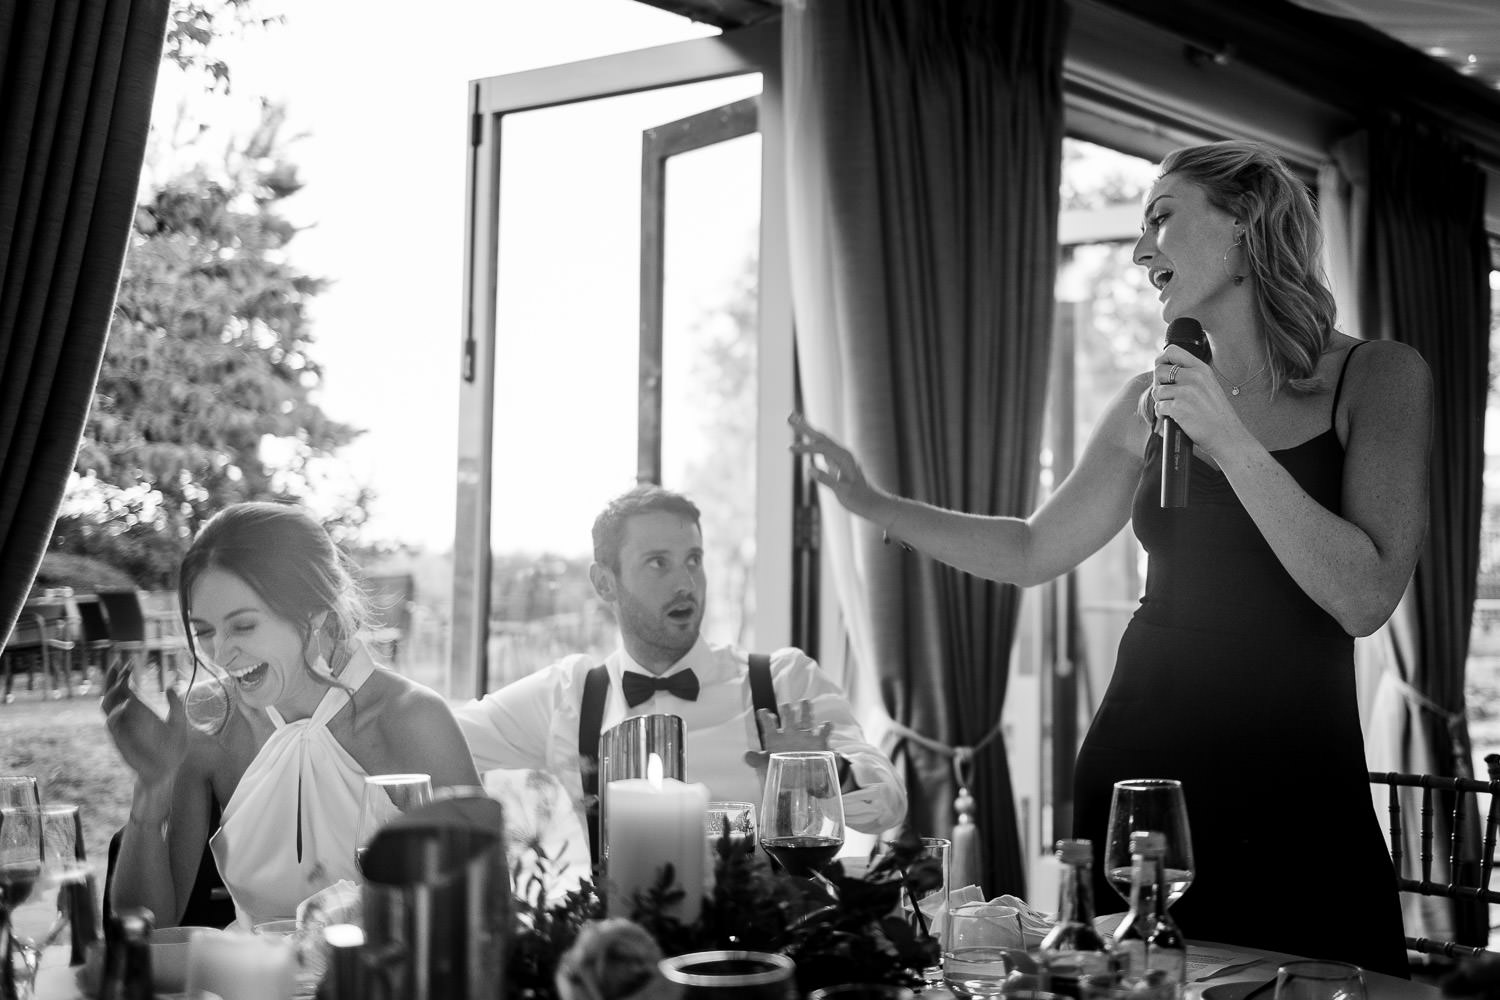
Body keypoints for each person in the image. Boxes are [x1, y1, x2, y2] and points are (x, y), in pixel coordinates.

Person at [790, 139, 1431, 977]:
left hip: (1295, 775)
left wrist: (1229, 440)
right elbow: (1031, 548)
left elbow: (1365, 597)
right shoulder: (1147, 398)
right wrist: (876, 505)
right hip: (1142, 774)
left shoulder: (1379, 376)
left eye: (1161, 219)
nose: (1139, 252)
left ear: (1244, 223)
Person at [454, 485, 907, 859]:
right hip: (629, 938)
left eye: (694, 559)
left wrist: (825, 773)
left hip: (764, 938)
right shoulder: (569, 695)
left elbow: (888, 804)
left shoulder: (783, 680)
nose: (686, 583)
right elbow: (436, 732)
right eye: (659, 563)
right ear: (605, 583)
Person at [103, 502, 480, 928]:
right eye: (204, 631)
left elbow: (482, 913)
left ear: (314, 610)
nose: (221, 654)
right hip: (253, 969)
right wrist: (151, 790)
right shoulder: (209, 719)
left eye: (243, 626)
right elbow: (147, 924)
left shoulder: (414, 720)